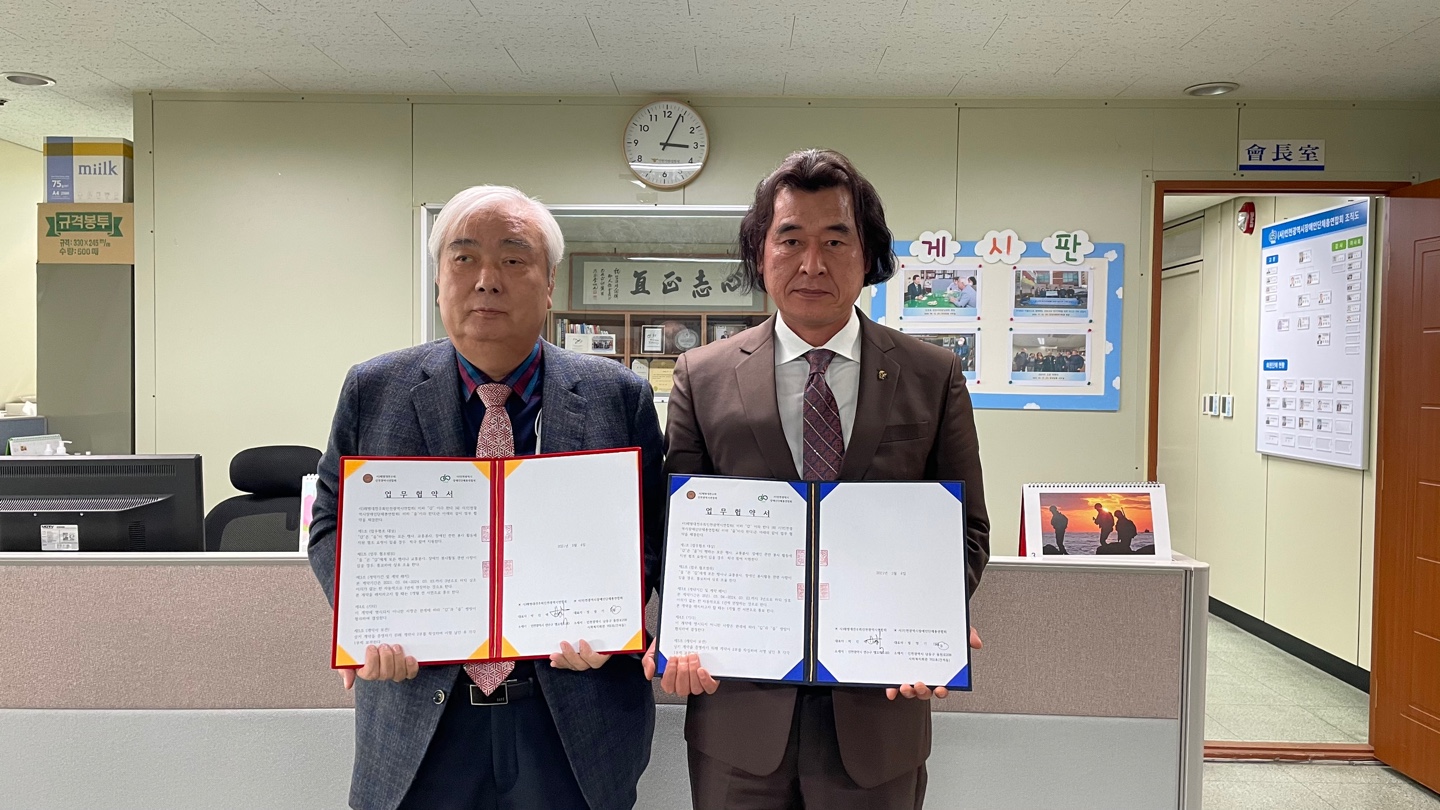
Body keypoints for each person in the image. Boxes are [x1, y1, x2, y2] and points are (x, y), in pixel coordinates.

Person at [644, 149, 990, 809]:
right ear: (760, 253)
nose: (812, 264)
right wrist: (684, 626)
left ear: (869, 255)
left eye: (835, 240)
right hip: (738, 716)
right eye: (790, 239)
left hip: (879, 711)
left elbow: (967, 530)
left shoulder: (932, 374)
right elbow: (676, 532)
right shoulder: (703, 375)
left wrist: (931, 618)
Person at [307, 185, 665, 810]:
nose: (486, 280)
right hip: (420, 718)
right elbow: (330, 522)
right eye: (464, 257)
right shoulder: (374, 388)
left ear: (549, 284)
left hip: (573, 721)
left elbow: (653, 535)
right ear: (438, 279)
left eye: (513, 259)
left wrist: (613, 618)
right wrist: (369, 618)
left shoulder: (618, 395)